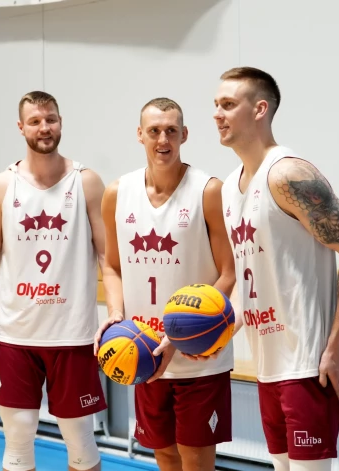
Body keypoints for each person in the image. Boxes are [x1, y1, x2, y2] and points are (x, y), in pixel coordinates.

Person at [213, 66, 339, 471]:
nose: (217, 113)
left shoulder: (288, 174)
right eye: (216, 105)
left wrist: (335, 347)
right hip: (267, 362)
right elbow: (253, 279)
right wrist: (215, 337)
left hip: (308, 363)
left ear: (260, 109)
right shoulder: (231, 187)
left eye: (228, 104)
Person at [0, 91, 108, 471]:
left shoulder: (87, 181)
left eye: (51, 119)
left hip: (73, 334)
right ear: (21, 127)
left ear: (61, 122)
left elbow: (110, 256)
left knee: (80, 439)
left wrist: (118, 313)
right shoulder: (0, 185)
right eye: (35, 121)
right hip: (15, 334)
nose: (44, 127)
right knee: (18, 437)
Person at [93, 98, 236, 471]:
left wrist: (185, 334)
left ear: (184, 135)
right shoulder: (117, 193)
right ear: (140, 135)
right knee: (164, 454)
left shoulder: (208, 190)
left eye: (171, 131)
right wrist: (116, 314)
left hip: (198, 352)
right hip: (144, 349)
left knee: (195, 457)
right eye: (154, 131)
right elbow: (110, 265)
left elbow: (229, 272)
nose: (163, 139)